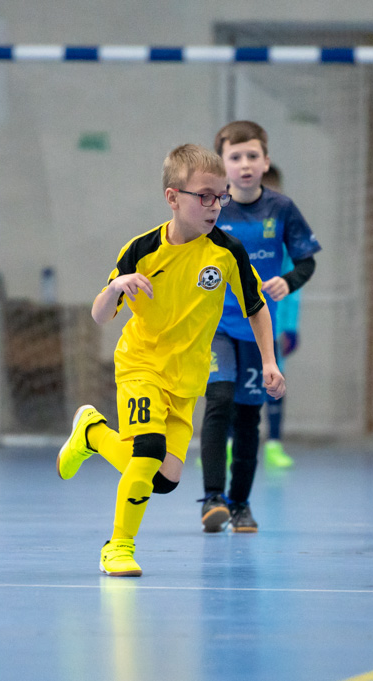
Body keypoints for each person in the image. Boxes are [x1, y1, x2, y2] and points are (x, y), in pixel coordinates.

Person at [56, 144, 285, 576]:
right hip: (141, 365)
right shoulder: (142, 250)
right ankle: (118, 547)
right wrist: (115, 287)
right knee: (146, 452)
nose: (215, 205)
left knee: (163, 479)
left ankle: (92, 433)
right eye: (205, 196)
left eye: (221, 196)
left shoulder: (227, 252)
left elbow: (256, 307)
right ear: (173, 197)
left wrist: (269, 361)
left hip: (186, 380)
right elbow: (100, 315)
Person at [198, 121, 321, 533]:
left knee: (249, 416)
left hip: (258, 326)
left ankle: (240, 504)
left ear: (266, 162)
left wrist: (289, 281)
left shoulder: (281, 209)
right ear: (223, 165)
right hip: (216, 325)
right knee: (218, 402)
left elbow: (306, 260)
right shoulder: (211, 208)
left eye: (253, 156)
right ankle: (212, 498)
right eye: (235, 157)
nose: (245, 164)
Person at [260, 165, 300, 469]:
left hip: (273, 324)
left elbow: (293, 283)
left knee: (274, 381)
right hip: (237, 323)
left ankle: (273, 442)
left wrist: (290, 326)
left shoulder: (285, 234)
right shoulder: (232, 227)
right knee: (232, 383)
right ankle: (228, 443)